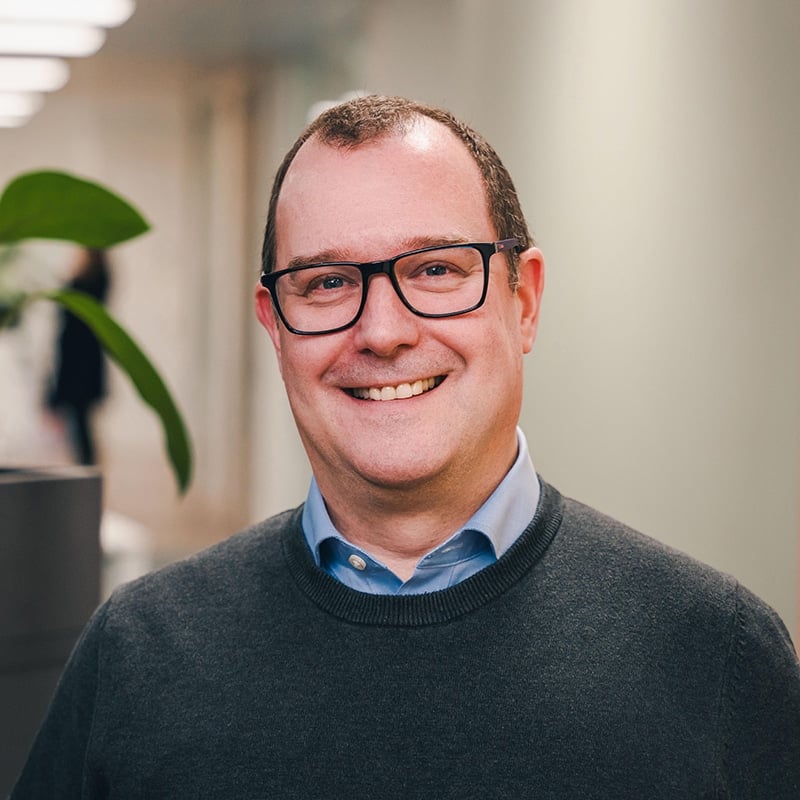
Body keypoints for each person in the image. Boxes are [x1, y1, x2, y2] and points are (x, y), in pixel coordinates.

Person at [12, 96, 800, 798]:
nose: (383, 332)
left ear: (523, 301)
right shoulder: (140, 652)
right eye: (326, 283)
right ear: (273, 325)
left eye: (434, 269)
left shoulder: (714, 654)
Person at [45, 247, 110, 465]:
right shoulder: (98, 277)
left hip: (78, 361)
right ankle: (86, 474)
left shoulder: (91, 280)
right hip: (83, 359)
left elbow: (72, 325)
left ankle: (87, 475)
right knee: (79, 424)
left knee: (80, 425)